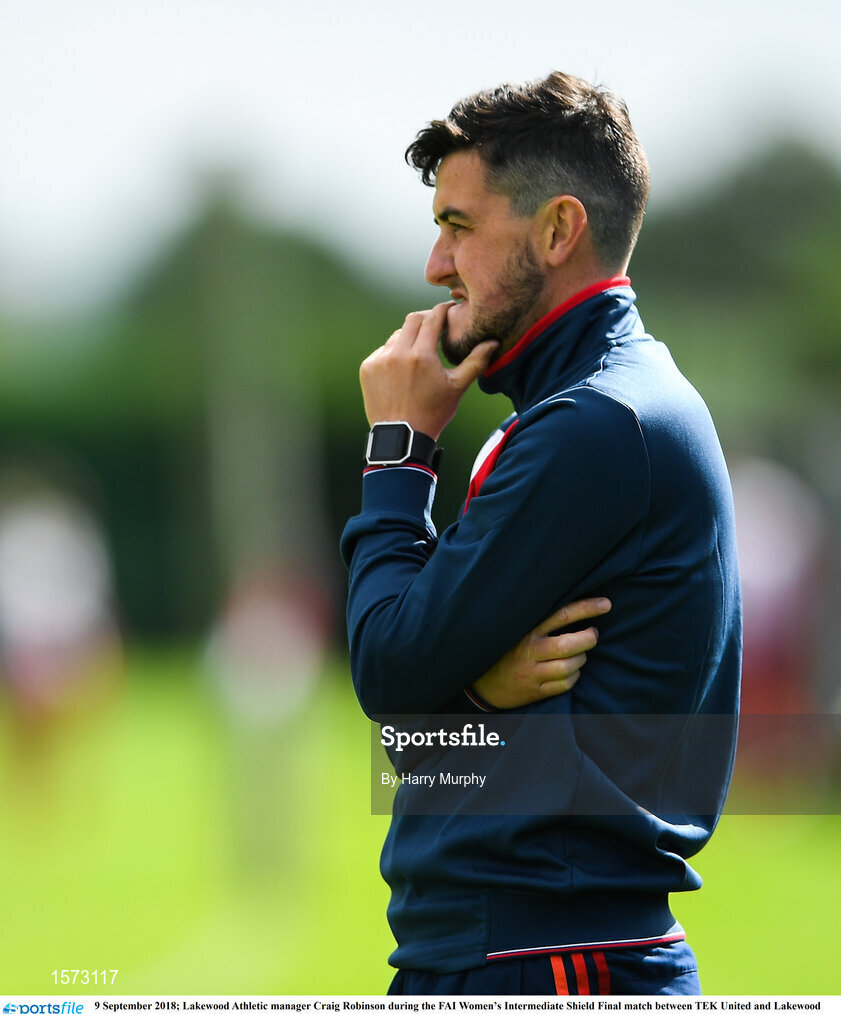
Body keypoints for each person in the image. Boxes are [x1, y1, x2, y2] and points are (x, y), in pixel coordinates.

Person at [340, 71, 741, 996]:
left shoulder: (594, 425)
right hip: (537, 951)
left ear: (558, 230)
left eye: (458, 226)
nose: (436, 266)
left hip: (548, 961)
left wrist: (399, 453)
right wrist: (469, 705)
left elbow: (390, 671)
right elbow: (412, 726)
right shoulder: (594, 407)